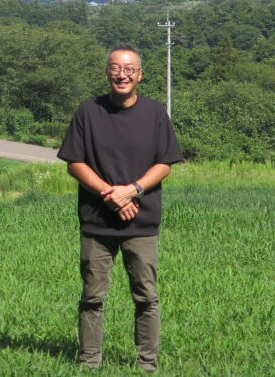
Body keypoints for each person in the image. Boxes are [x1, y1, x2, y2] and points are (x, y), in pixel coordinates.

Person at [57, 43, 183, 372]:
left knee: (145, 296)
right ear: (107, 73)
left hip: (141, 221)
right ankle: (89, 362)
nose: (121, 74)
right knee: (92, 296)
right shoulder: (88, 111)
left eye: (129, 69)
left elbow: (165, 162)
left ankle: (147, 364)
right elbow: (75, 162)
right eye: (115, 68)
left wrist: (132, 190)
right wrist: (109, 195)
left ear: (140, 75)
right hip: (97, 221)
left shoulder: (155, 112)